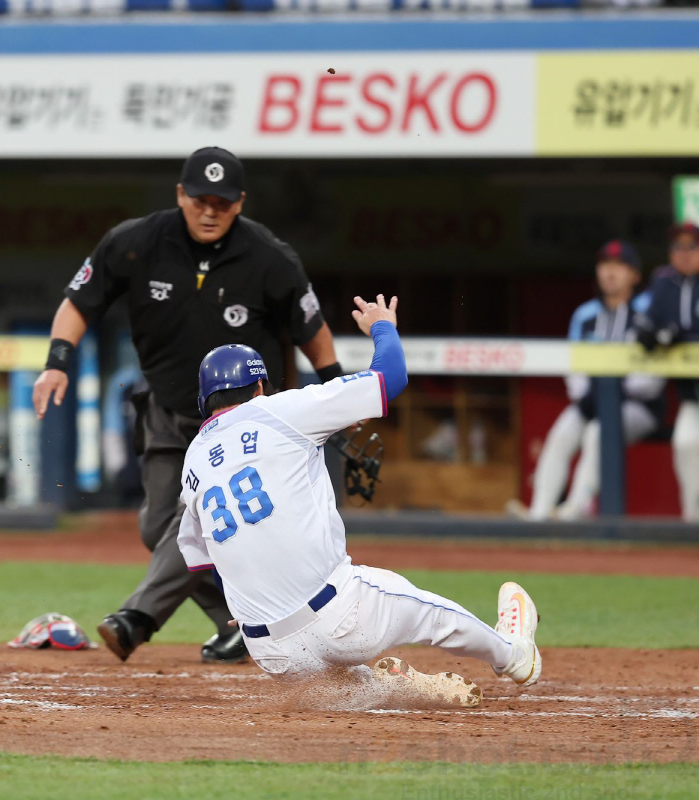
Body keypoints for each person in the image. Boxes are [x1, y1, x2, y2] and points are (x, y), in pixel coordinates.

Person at [33, 147, 344, 664]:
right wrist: (57, 362)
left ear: (239, 203)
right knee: (159, 529)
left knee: (192, 522)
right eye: (199, 199)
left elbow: (312, 330)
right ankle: (245, 624)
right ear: (180, 195)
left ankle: (136, 618)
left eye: (221, 203)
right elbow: (79, 302)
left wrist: (337, 393)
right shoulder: (135, 243)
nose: (208, 211)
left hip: (246, 424)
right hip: (169, 411)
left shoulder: (269, 257)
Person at [176, 295, 542, 707]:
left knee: (342, 686)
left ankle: (397, 687)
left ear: (204, 403)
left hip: (271, 652)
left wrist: (248, 607)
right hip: (343, 618)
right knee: (433, 615)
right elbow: (390, 377)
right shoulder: (280, 409)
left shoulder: (193, 461)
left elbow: (206, 557)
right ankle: (514, 655)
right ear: (261, 386)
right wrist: (383, 326)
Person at [509, 240, 665, 521]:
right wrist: (590, 395)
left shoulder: (648, 312)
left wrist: (612, 391)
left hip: (639, 407)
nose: (610, 273)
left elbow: (651, 379)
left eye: (619, 266)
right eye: (605, 265)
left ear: (635, 275)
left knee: (598, 432)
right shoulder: (585, 315)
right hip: (592, 402)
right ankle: (539, 513)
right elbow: (574, 371)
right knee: (561, 434)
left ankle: (575, 509)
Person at [637, 222, 699, 521]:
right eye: (678, 247)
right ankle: (693, 518)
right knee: (686, 443)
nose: (684, 253)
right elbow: (646, 331)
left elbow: (680, 333)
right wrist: (659, 335)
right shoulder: (662, 283)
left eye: (691, 247)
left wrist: (678, 334)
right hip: (692, 394)